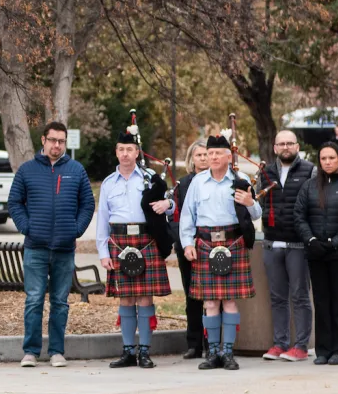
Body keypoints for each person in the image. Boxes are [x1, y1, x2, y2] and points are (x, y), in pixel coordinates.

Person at [7, 121, 95, 368]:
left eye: (61, 141)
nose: (57, 145)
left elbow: (88, 204)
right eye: (53, 140)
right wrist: (27, 227)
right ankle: (31, 352)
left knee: (60, 301)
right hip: (36, 247)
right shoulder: (27, 170)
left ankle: (57, 350)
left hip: (64, 248)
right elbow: (14, 202)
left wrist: (75, 230)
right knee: (34, 299)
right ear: (43, 141)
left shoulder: (76, 170)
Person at [179, 132, 261, 371]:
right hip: (204, 243)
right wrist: (187, 244)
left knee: (230, 301)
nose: (213, 157)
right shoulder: (197, 181)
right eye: (210, 153)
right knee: (211, 302)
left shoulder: (240, 178)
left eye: (217, 153)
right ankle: (212, 352)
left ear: (228, 156)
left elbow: (256, 214)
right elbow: (187, 216)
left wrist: (250, 202)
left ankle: (228, 352)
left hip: (232, 242)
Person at [96, 123, 174, 369]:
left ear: (137, 152)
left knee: (144, 298)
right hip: (119, 242)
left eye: (130, 149)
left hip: (146, 240)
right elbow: (102, 219)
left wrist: (168, 206)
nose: (125, 154)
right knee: (126, 299)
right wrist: (102, 251)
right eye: (121, 149)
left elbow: (168, 203)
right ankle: (128, 351)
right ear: (116, 152)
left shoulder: (150, 179)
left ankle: (145, 351)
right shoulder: (109, 183)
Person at [294, 142, 338, 365]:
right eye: (323, 158)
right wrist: (311, 240)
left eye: (331, 158)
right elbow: (299, 216)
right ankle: (323, 349)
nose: (327, 162)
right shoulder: (309, 186)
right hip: (316, 253)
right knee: (321, 301)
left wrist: (335, 242)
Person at [260, 130, 316, 362]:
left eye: (290, 143)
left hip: (298, 244)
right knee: (277, 297)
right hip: (272, 242)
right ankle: (279, 343)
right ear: (274, 148)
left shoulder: (310, 170)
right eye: (281, 143)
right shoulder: (265, 172)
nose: (286, 147)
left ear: (297, 146)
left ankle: (301, 346)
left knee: (300, 296)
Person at [171, 141, 210, 358]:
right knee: (192, 297)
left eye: (206, 154)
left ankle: (213, 342)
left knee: (214, 297)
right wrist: (185, 243)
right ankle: (194, 344)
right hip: (188, 247)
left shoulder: (219, 181)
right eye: (199, 155)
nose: (203, 158)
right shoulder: (183, 185)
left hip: (211, 246)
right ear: (191, 159)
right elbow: (176, 219)